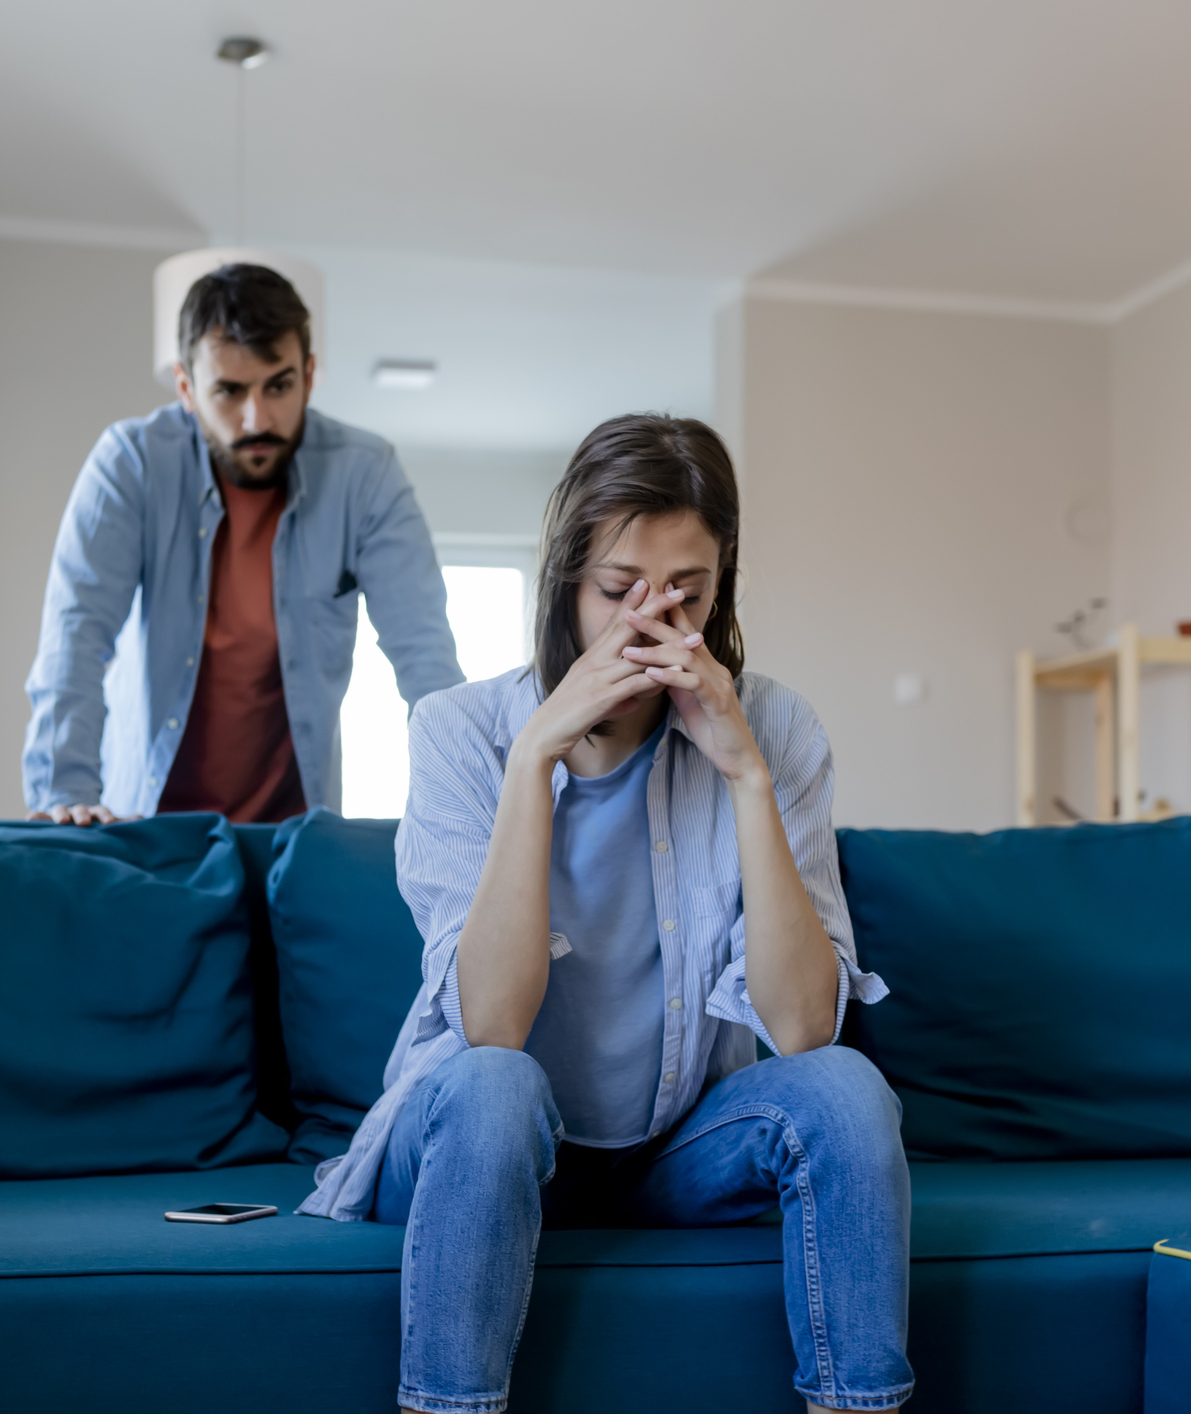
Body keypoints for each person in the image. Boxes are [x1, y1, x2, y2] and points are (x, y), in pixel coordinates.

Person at [298, 414, 911, 1414]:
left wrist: (746, 773)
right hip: (486, 1142)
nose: (651, 626)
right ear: (565, 582)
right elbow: (489, 1024)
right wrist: (535, 758)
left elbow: (803, 1029)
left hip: (672, 1147)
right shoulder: (460, 733)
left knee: (844, 1088)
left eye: (689, 595)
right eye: (620, 591)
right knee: (495, 1085)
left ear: (724, 589)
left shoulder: (779, 727)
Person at [22, 263, 462, 825]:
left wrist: (463, 809)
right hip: (146, 829)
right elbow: (75, 637)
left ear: (308, 373)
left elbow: (425, 656)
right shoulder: (130, 463)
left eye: (278, 386)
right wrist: (65, 792)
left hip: (293, 836)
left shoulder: (365, 474)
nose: (258, 418)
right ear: (186, 388)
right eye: (229, 391)